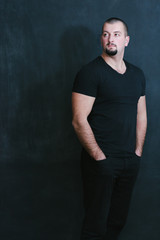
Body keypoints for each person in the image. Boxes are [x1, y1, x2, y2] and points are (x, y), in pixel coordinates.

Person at [72, 17, 147, 240]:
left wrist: (137, 152)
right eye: (105, 34)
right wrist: (99, 157)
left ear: (126, 40)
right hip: (100, 161)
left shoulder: (137, 75)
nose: (110, 39)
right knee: (95, 226)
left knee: (117, 222)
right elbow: (78, 119)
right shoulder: (90, 72)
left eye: (115, 34)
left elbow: (141, 114)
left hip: (129, 161)